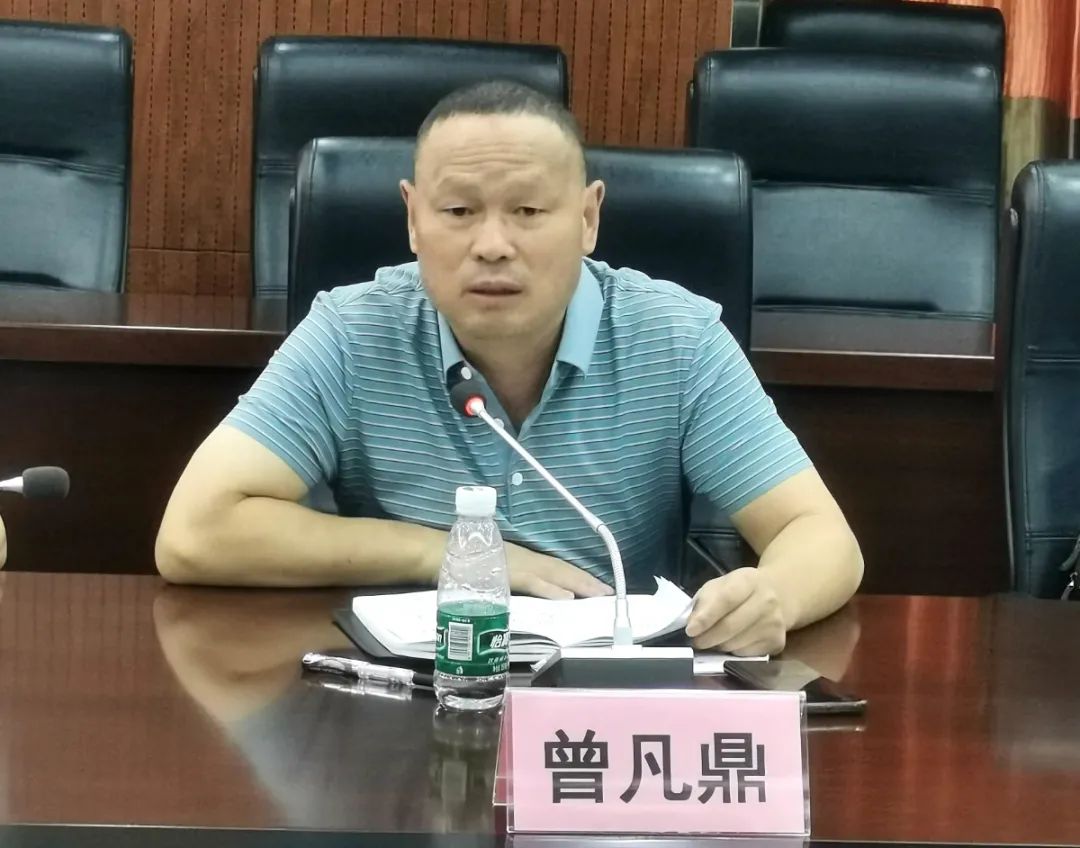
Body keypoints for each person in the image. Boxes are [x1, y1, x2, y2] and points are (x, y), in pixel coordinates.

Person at [156, 81, 863, 655]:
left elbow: (822, 535)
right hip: (411, 693)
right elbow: (194, 534)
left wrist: (775, 596)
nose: (492, 244)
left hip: (604, 709)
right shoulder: (353, 330)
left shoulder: (676, 338)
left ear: (587, 218)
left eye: (527, 210)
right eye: (459, 210)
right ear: (413, 219)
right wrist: (459, 555)